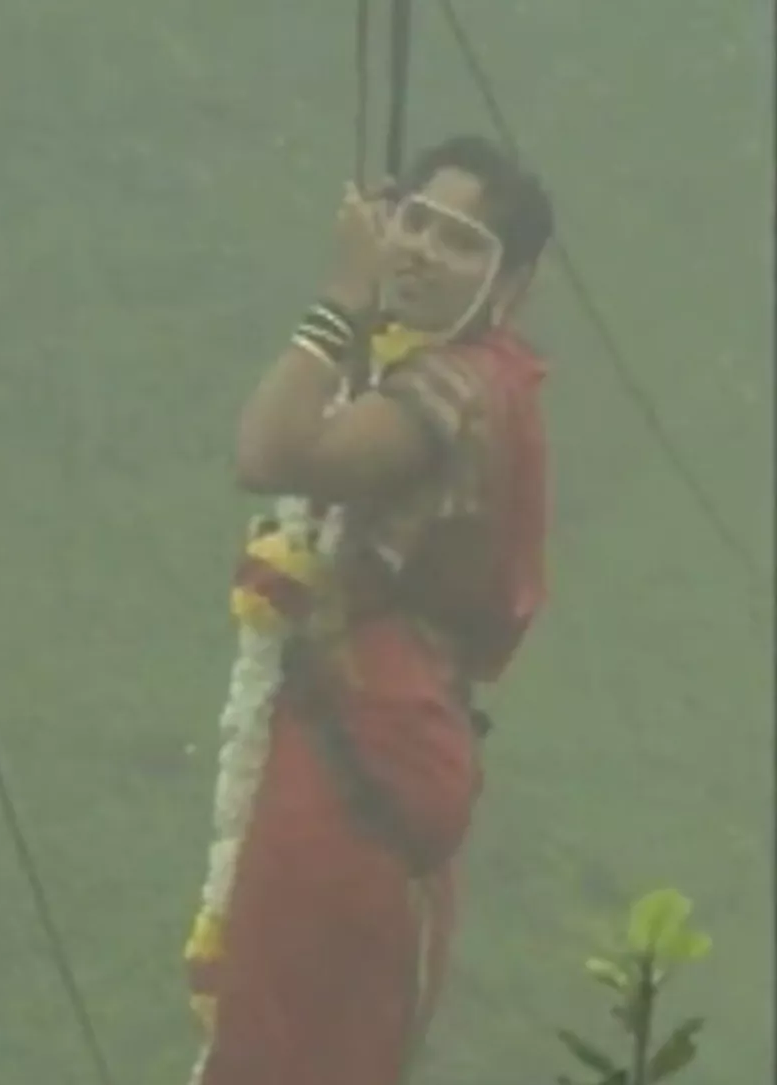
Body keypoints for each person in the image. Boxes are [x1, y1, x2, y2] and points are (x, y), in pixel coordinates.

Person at [195, 134, 555, 1084]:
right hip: (395, 738)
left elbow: (269, 453)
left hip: (362, 748)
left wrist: (341, 301)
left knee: (284, 1041)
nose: (426, 252)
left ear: (510, 284)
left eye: (463, 243)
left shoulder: (452, 386)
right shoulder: (478, 378)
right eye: (417, 223)